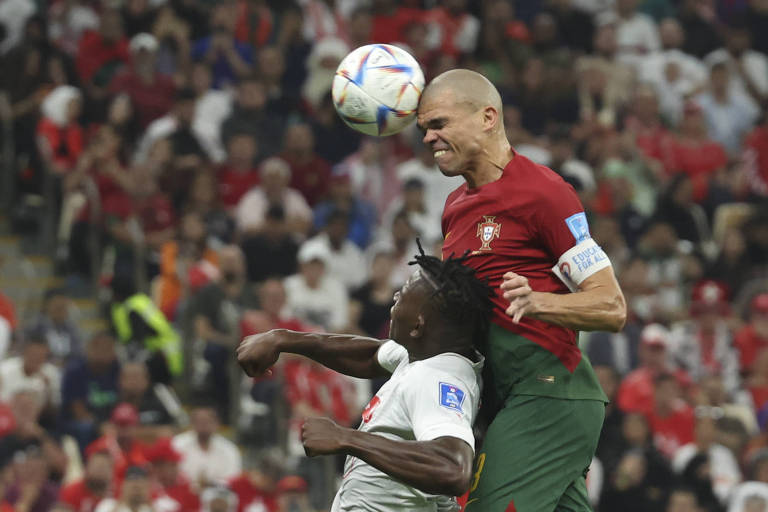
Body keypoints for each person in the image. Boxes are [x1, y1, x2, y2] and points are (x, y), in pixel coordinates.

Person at [416, 69, 627, 511]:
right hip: (503, 400)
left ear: (488, 117)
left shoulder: (545, 193)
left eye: (439, 124)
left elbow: (611, 305)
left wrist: (539, 302)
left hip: (548, 392)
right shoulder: (455, 208)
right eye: (424, 129)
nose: (428, 138)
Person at [236, 248, 493, 511]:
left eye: (402, 294)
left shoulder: (437, 379)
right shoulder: (424, 354)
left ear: (418, 326)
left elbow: (452, 468)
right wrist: (282, 339)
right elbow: (370, 355)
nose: (394, 296)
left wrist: (346, 439)